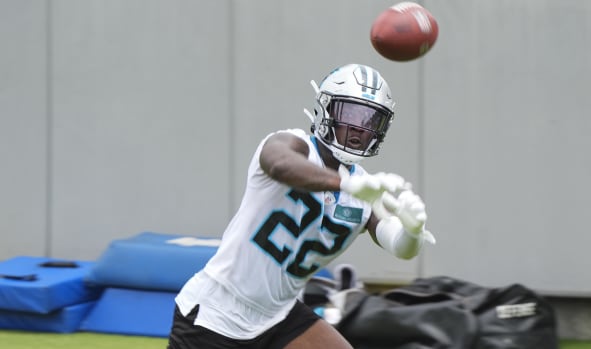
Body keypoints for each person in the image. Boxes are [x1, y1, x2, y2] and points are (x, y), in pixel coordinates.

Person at [167, 63, 436, 349]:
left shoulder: (364, 187)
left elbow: (399, 245)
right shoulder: (294, 145)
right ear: (326, 110)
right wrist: (345, 184)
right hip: (217, 313)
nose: (360, 128)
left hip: (278, 315)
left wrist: (413, 229)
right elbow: (280, 164)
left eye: (371, 120)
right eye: (352, 114)